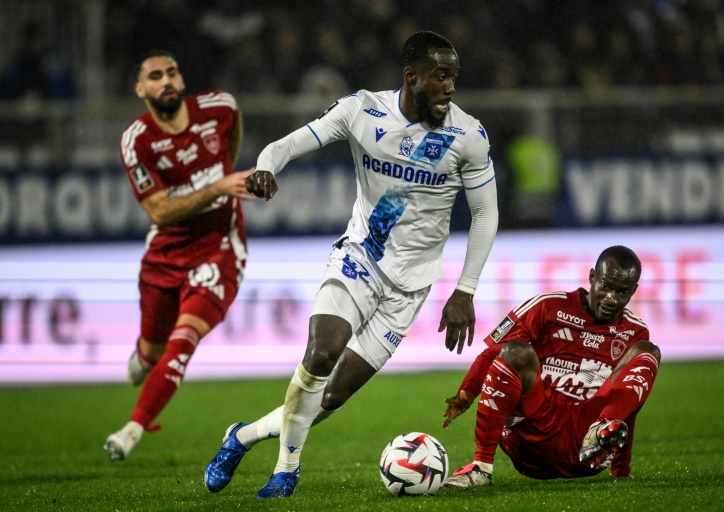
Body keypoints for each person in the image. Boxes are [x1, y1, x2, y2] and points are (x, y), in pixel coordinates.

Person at [204, 30, 498, 499]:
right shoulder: (362, 110)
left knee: (331, 396)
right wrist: (265, 167)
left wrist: (465, 290)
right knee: (322, 351)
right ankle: (286, 470)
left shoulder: (467, 135)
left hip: (410, 287)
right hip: (360, 256)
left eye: (454, 77)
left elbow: (485, 214)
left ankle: (241, 436)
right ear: (412, 76)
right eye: (441, 76)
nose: (450, 86)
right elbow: (285, 145)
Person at [103, 50, 253, 461]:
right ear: (140, 89)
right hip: (166, 255)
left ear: (182, 80)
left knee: (183, 341)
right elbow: (158, 210)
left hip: (220, 250)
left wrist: (224, 179)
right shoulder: (138, 140)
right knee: (152, 352)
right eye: (155, 76)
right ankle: (142, 355)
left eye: (171, 73)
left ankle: (132, 429)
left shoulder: (219, 108)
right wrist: (218, 186)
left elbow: (232, 134)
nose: (166, 80)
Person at [441, 245, 661, 487]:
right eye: (606, 287)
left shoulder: (635, 331)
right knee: (515, 351)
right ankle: (481, 467)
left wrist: (621, 469)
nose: (611, 299)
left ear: (633, 292)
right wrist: (468, 392)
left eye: (622, 292)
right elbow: (494, 351)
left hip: (585, 446)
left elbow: (629, 401)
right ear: (592, 277)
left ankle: (601, 431)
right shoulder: (548, 306)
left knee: (649, 352)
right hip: (533, 429)